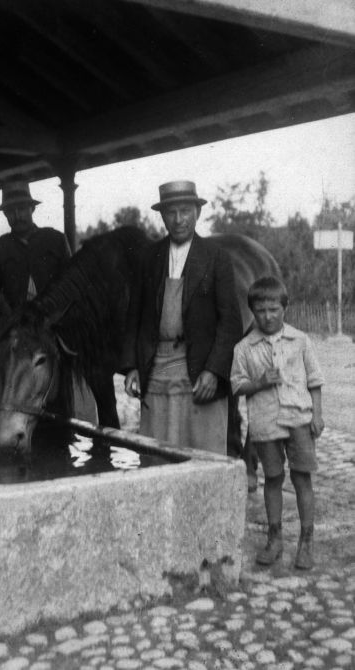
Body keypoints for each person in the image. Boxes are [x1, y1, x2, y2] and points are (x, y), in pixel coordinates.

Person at [121, 180, 243, 454]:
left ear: (197, 212)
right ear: (162, 216)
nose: (178, 220)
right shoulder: (148, 257)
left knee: (203, 454)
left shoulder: (216, 257)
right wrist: (131, 367)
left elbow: (230, 323)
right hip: (158, 368)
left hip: (199, 370)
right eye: (171, 213)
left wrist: (213, 371)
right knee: (157, 452)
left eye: (185, 211)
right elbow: (134, 317)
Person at [231, 276, 324, 569]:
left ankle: (306, 542)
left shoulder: (300, 340)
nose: (267, 316)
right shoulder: (244, 348)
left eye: (273, 309)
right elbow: (236, 385)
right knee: (272, 479)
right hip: (265, 423)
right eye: (260, 310)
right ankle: (275, 539)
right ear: (252, 312)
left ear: (285, 307)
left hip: (299, 419)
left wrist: (317, 414)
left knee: (301, 478)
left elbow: (315, 380)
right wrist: (257, 383)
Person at [0, 180, 71, 320]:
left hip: (54, 324)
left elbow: (70, 283)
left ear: (32, 208)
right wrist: (9, 318)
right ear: (5, 214)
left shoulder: (56, 240)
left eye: (21, 208)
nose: (17, 216)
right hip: (13, 328)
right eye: (10, 211)